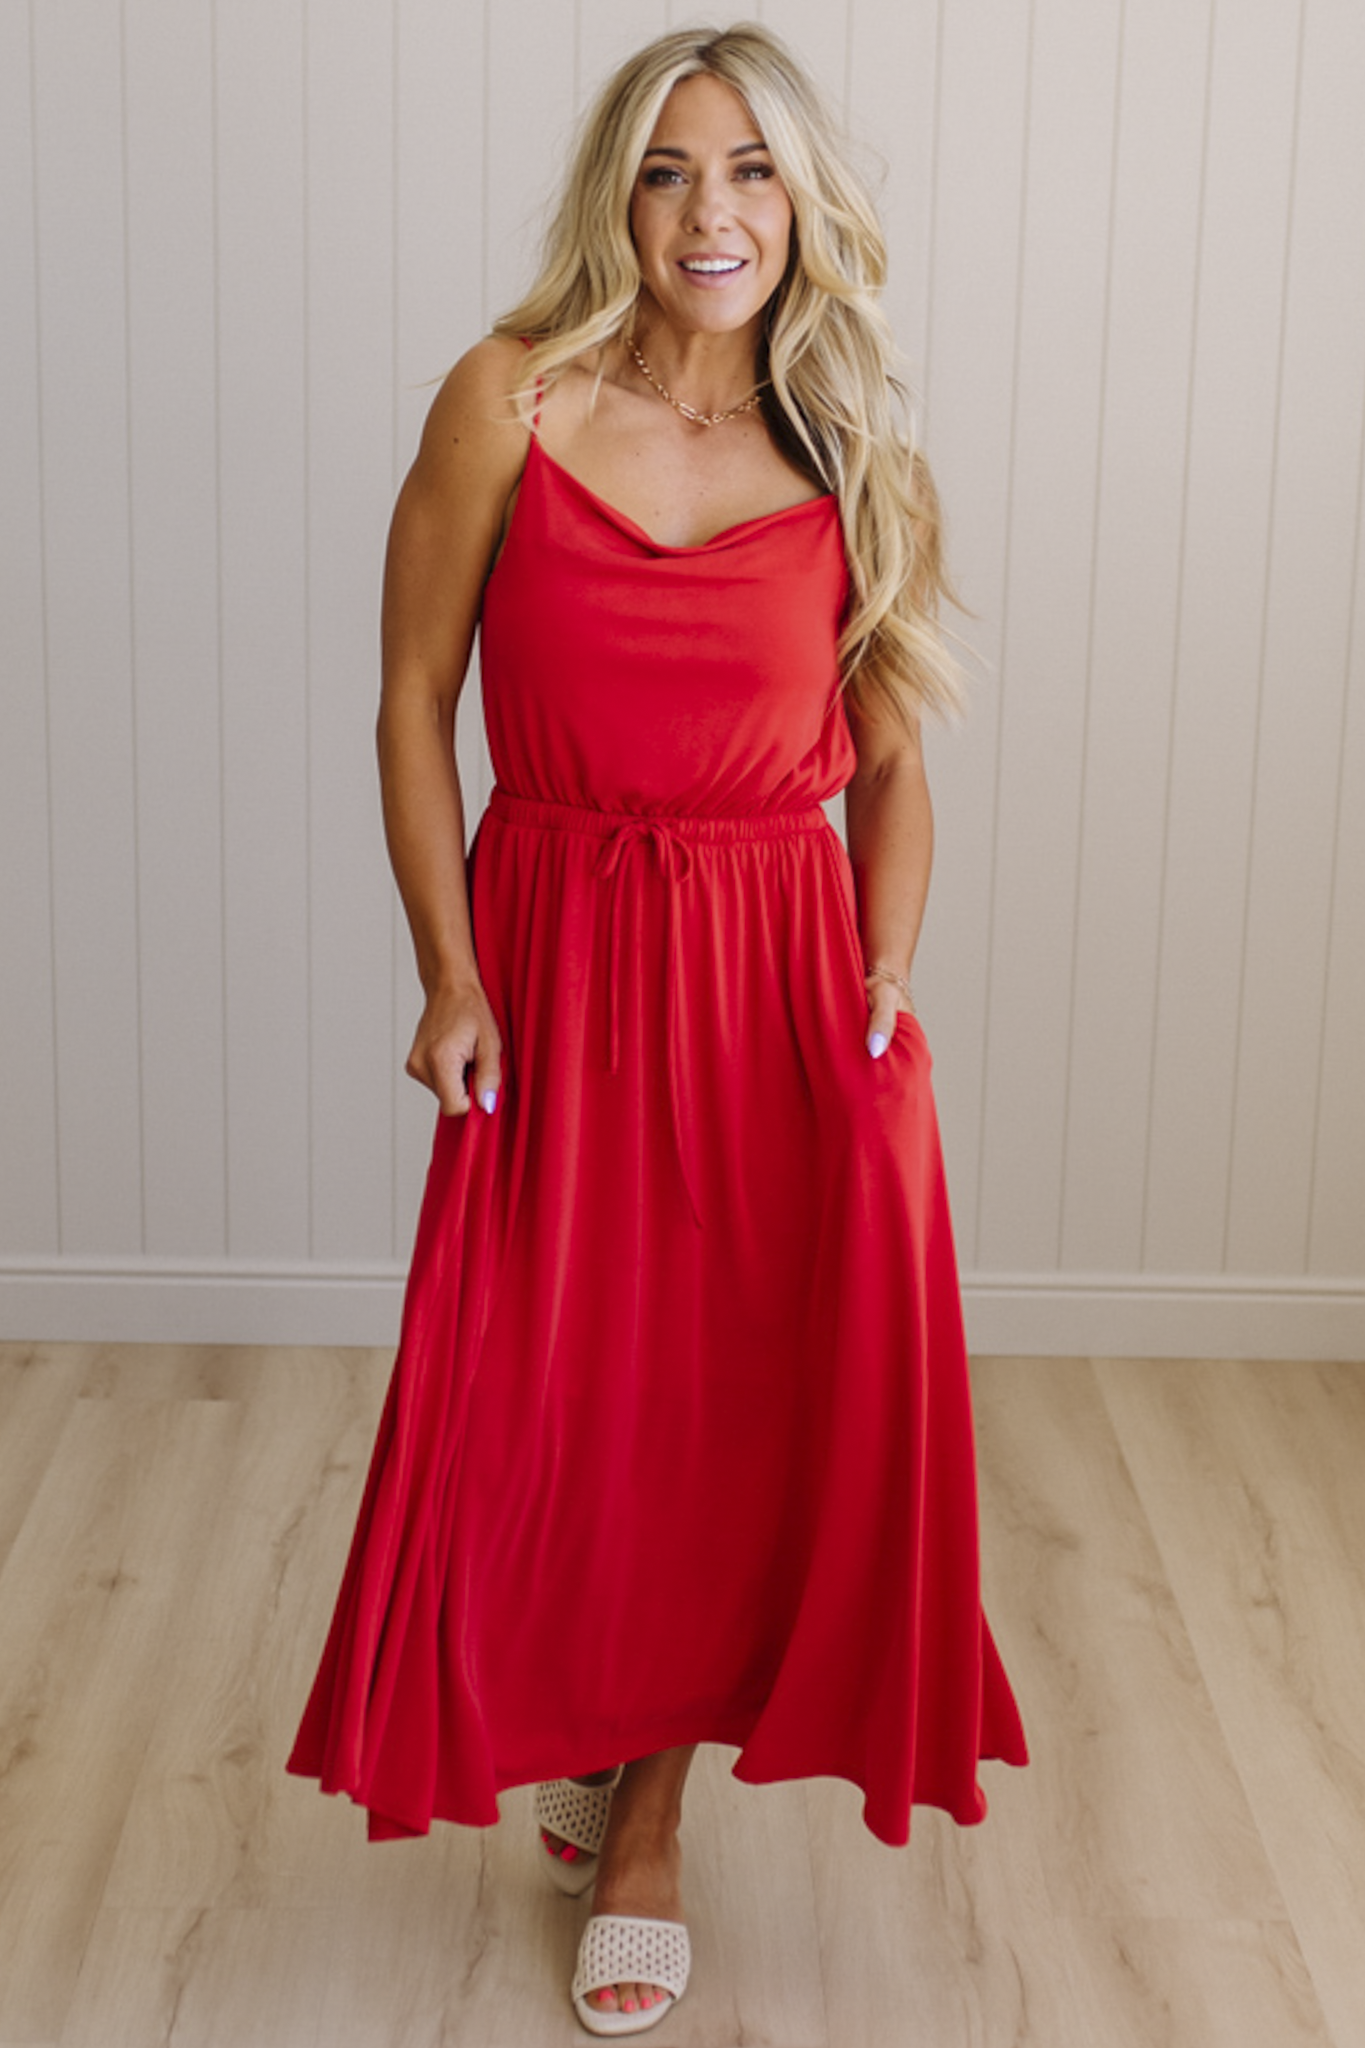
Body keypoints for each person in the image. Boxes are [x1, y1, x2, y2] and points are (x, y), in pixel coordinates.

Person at [288, 21, 1027, 2036]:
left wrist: (882, 971)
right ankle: (590, 1731)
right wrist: (447, 971)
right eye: (669, 172)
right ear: (614, 198)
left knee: (742, 1410)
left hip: (782, 980)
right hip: (557, 954)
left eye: (752, 174)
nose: (713, 214)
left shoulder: (844, 442)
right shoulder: (503, 405)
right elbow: (407, 701)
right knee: (552, 1397)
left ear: (802, 209)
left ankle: (647, 1818)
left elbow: (888, 768)